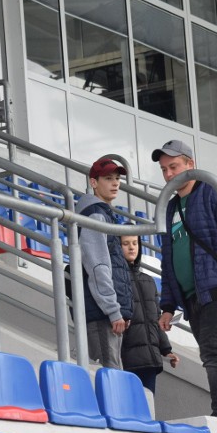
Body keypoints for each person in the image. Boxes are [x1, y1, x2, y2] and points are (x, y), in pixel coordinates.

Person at [153, 140, 217, 418]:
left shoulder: (214, 192)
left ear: (190, 164)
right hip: (190, 297)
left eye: (174, 167)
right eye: (164, 170)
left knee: (212, 351)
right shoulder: (170, 206)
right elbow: (169, 260)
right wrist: (167, 305)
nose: (169, 175)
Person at [73, 157, 133, 368]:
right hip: (101, 313)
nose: (115, 183)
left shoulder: (105, 214)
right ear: (94, 182)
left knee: (113, 375)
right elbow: (98, 267)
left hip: (105, 312)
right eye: (108, 178)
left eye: (117, 178)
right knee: (109, 376)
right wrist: (113, 310)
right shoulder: (95, 215)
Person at [120, 234, 179, 394]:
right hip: (127, 358)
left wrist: (166, 350)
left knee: (148, 408)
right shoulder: (115, 279)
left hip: (149, 359)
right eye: (126, 243)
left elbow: (156, 319)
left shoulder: (149, 280)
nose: (132, 247)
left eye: (135, 243)